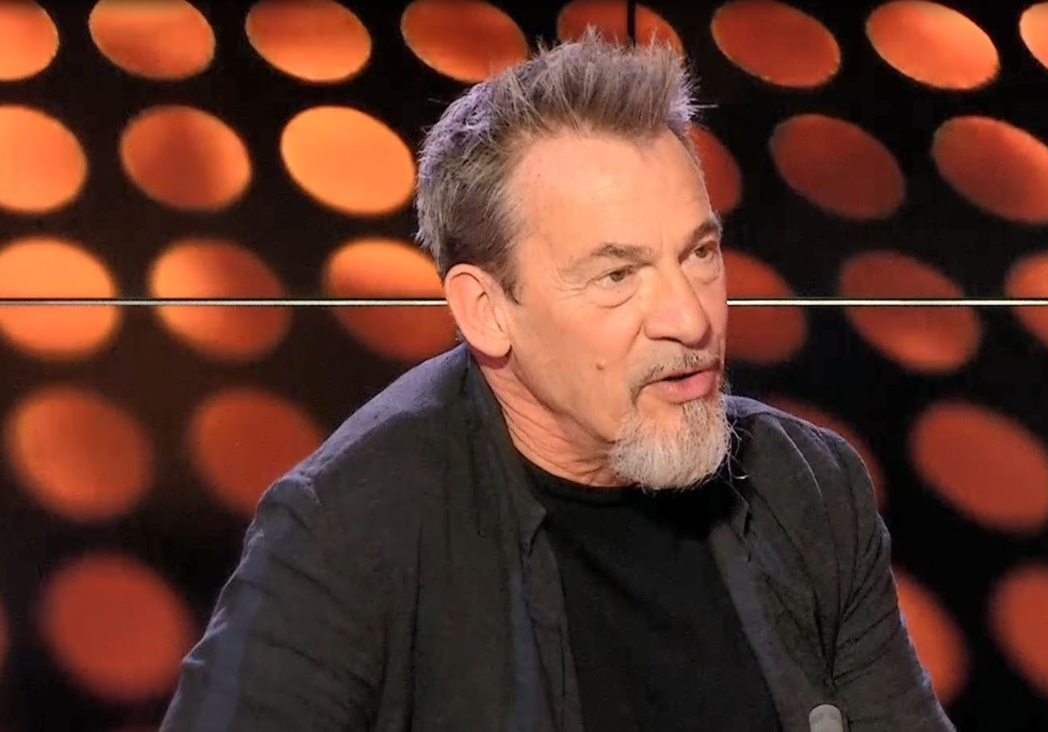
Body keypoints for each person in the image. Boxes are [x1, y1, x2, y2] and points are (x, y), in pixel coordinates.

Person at [160, 33, 954, 732]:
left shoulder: (807, 487)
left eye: (700, 254)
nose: (690, 318)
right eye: (618, 275)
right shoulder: (351, 530)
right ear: (486, 311)